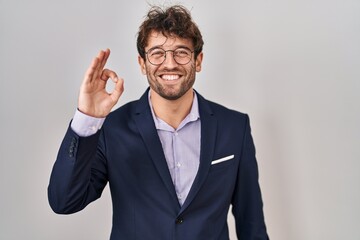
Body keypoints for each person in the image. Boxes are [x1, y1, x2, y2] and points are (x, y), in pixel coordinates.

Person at [48, 5, 269, 240]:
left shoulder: (234, 127)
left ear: (198, 61)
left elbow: (251, 224)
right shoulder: (112, 128)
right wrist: (87, 118)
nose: (170, 63)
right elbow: (64, 201)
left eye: (182, 52)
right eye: (157, 53)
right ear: (142, 64)